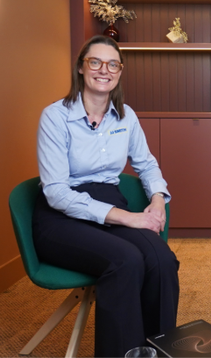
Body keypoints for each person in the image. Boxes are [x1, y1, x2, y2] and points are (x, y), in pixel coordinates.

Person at [33, 35, 179, 357]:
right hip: (61, 217)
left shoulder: (126, 117)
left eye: (112, 64)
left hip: (109, 206)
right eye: (95, 62)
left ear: (120, 71)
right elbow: (57, 193)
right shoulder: (55, 117)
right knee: (125, 261)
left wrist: (157, 200)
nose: (104, 70)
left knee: (162, 259)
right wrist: (129, 217)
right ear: (81, 68)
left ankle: (158, 350)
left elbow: (147, 165)